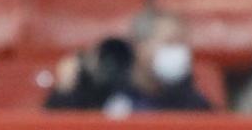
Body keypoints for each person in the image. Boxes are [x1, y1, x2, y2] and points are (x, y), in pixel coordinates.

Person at [45, 10, 213, 115]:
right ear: (139, 46)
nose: (179, 52)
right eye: (170, 42)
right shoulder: (105, 89)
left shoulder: (188, 100)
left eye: (182, 43)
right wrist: (66, 89)